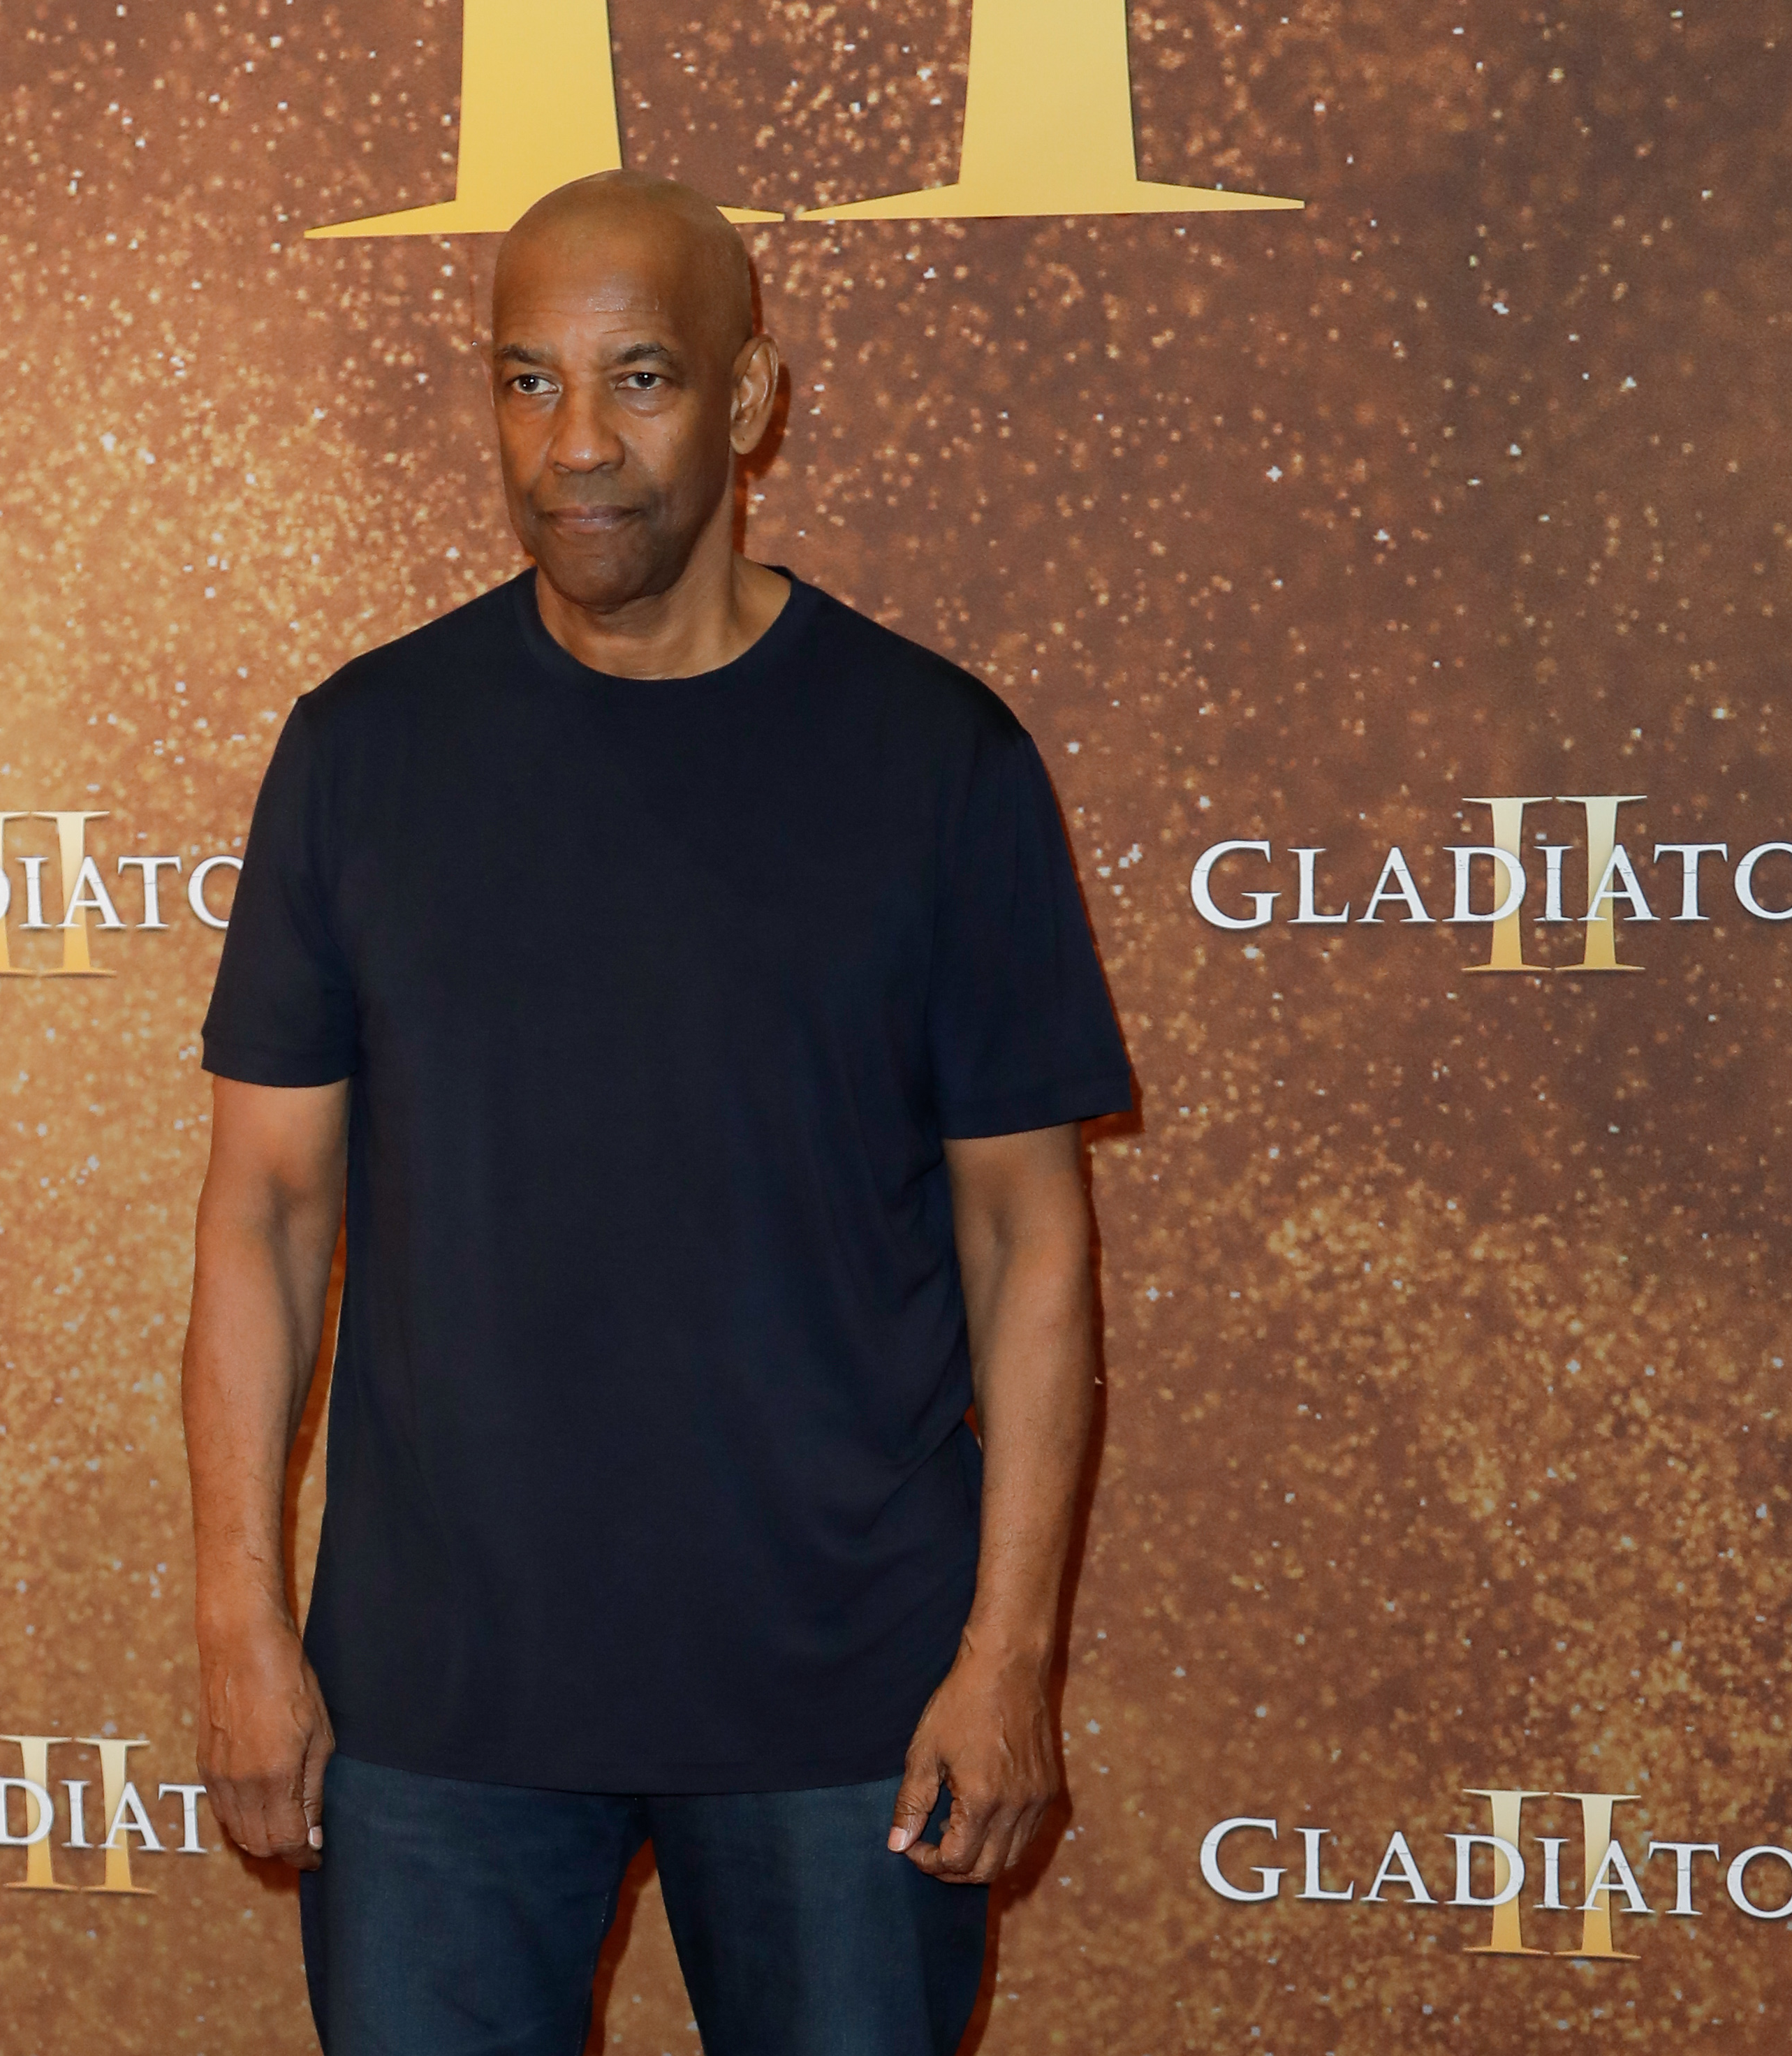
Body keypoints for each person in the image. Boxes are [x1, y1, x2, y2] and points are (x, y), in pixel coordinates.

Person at [180, 169, 1133, 2055]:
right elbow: (264, 1214)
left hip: (843, 1711)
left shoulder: (937, 761)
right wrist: (238, 1616)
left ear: (753, 395)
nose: (575, 445)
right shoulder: (362, 754)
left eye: (641, 378)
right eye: (525, 382)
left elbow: (1029, 1239)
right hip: (440, 1715)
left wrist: (1008, 1659)